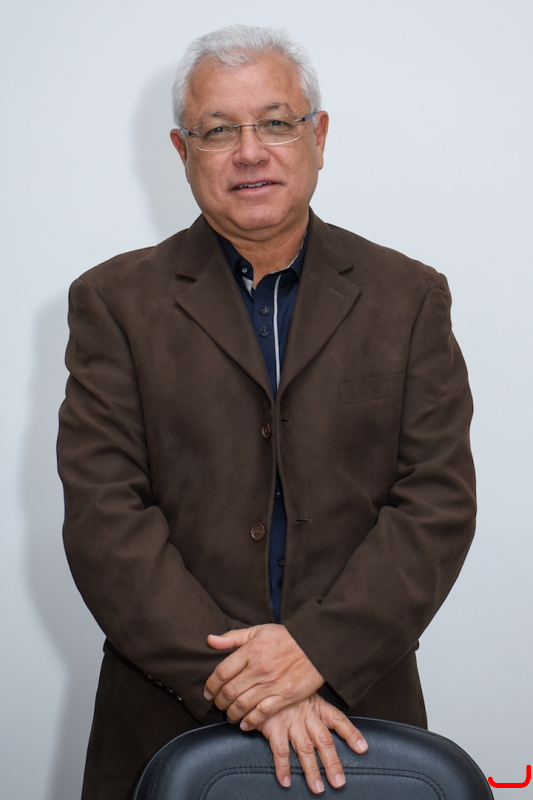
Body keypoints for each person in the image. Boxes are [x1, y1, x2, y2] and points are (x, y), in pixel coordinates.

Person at [57, 24, 476, 800]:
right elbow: (104, 518)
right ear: (183, 151)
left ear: (318, 136)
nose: (249, 152)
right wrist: (248, 682)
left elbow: (436, 504)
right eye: (219, 130)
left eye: (276, 122)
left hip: (361, 712)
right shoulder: (114, 303)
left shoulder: (407, 297)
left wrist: (315, 652)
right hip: (164, 718)